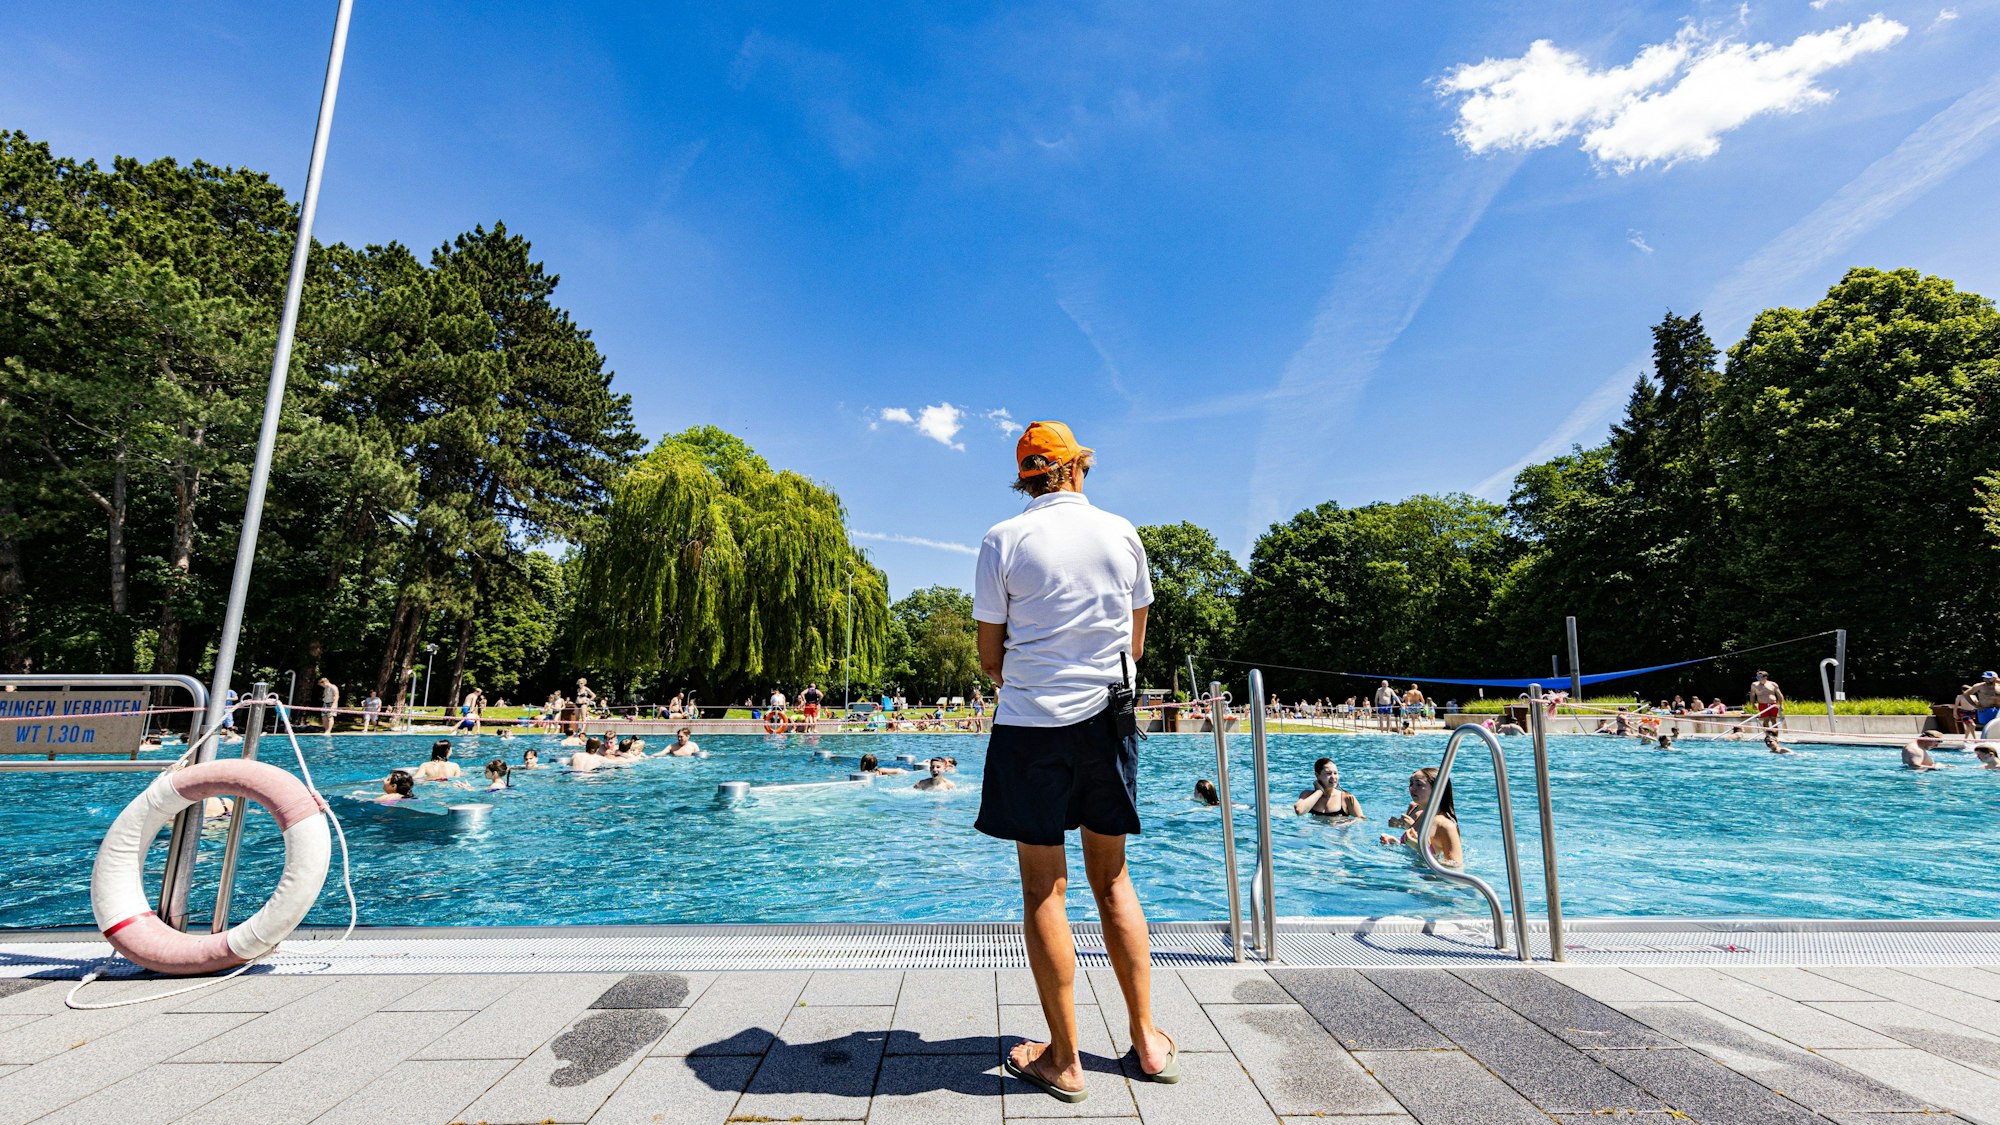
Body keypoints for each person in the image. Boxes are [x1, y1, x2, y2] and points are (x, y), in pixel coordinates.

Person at [971, 420, 1176, 1102]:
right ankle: (1147, 1038)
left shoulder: (1003, 538)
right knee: (1112, 880)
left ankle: (1064, 1058)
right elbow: (1136, 643)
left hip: (1030, 726)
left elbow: (990, 657)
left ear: (1028, 476)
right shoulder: (1121, 532)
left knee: (1044, 890)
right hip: (1106, 721)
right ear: (1077, 468)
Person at [1379, 767, 1462, 866]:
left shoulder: (1444, 825)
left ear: (1438, 789)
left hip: (1428, 880)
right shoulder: (1418, 812)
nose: (1412, 788)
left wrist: (1420, 848)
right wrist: (1396, 843)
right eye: (1411, 783)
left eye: (1419, 784)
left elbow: (1456, 866)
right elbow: (1414, 853)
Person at [1294, 758, 1363, 818]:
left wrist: (1345, 823)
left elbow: (1361, 819)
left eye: (1335, 773)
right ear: (1317, 775)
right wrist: (1319, 791)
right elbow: (1299, 811)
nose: (1333, 777)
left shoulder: (1346, 798)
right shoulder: (1307, 795)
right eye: (1328, 773)